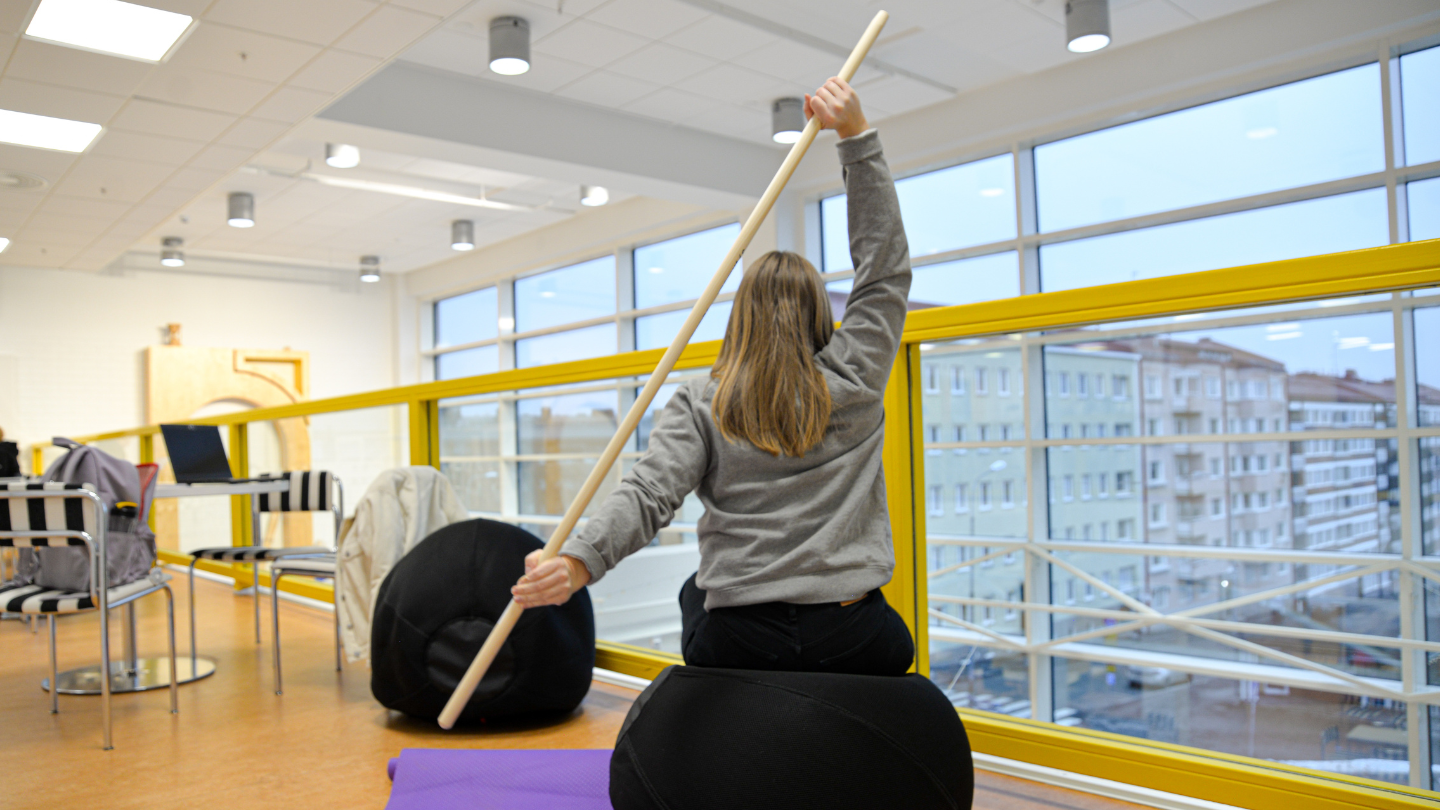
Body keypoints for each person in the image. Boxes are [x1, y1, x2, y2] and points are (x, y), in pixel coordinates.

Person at [512, 77, 914, 676]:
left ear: (741, 316)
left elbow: (650, 495)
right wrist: (856, 137)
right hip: (852, 634)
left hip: (742, 638)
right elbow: (883, 274)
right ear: (820, 316)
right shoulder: (854, 377)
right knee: (888, 631)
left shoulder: (704, 401)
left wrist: (577, 564)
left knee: (692, 594)